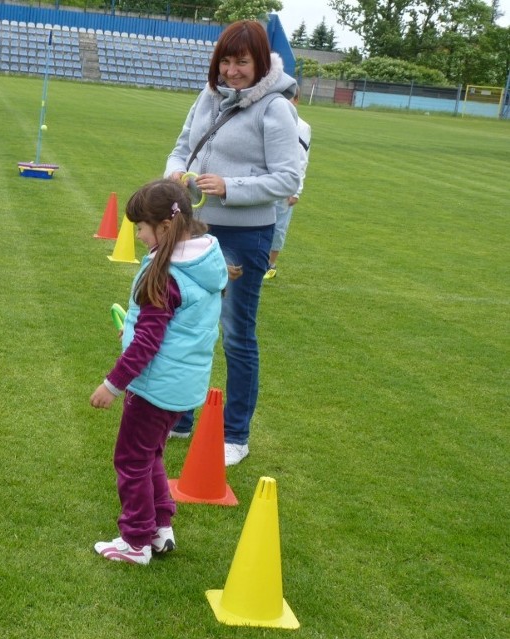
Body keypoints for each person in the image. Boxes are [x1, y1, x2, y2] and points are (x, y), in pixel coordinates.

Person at [164, 20, 300, 466]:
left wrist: (229, 186)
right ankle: (181, 416)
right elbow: (183, 145)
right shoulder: (207, 96)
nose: (232, 70)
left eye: (242, 61)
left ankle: (235, 434)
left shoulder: (276, 108)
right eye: (226, 60)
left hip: (245, 236)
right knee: (186, 325)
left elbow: (287, 178)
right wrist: (173, 172)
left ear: (260, 62)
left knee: (237, 335)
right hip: (196, 229)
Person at [90, 179, 228, 565]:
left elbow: (149, 343)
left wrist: (112, 385)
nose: (137, 234)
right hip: (183, 385)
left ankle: (135, 541)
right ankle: (160, 527)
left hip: (155, 387)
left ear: (164, 228)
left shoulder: (166, 275)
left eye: (141, 227)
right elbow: (172, 328)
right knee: (150, 454)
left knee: (131, 459)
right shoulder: (202, 263)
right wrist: (132, 328)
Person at [265, 92, 312, 280]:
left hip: (285, 185)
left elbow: (301, 159)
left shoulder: (302, 126)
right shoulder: (269, 119)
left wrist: (296, 190)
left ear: (297, 100)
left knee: (279, 226)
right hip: (264, 182)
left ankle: (270, 265)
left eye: (290, 98)